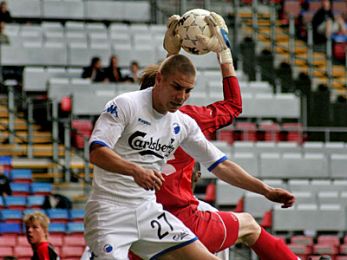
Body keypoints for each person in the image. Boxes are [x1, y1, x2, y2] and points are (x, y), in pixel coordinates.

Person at [144, 12, 297, 259]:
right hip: (181, 220)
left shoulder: (129, 115)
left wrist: (170, 55)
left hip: (139, 225)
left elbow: (158, 88)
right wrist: (224, 54)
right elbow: (234, 106)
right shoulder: (189, 119)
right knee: (247, 224)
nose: (181, 96)